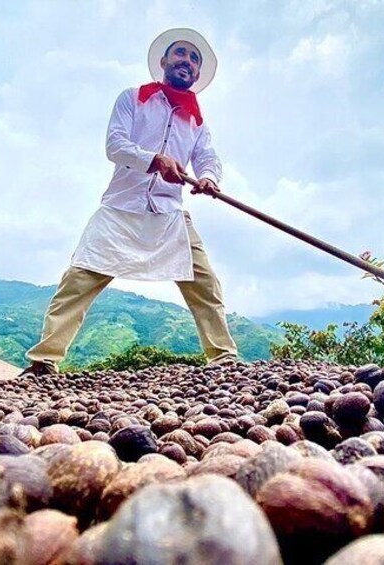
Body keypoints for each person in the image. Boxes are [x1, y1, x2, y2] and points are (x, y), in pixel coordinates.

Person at [21, 28, 238, 377]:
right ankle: (44, 361)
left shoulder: (196, 120)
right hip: (120, 208)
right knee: (78, 281)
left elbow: (207, 157)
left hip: (168, 213)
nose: (187, 62)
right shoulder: (132, 98)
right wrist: (155, 160)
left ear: (197, 74)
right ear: (164, 62)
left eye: (194, 59)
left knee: (205, 284)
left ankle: (224, 359)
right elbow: (115, 145)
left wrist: (210, 178)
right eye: (180, 54)